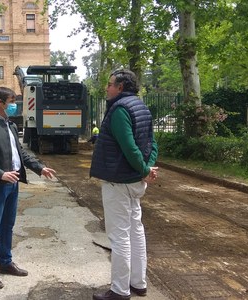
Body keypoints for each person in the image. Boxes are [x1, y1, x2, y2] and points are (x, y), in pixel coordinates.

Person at [0, 86, 57, 289]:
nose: (14, 105)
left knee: (7, 226)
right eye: (12, 101)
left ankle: (6, 262)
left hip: (14, 183)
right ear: (0, 102)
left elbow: (21, 154)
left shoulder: (11, 126)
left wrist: (40, 167)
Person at [90, 69, 158, 300]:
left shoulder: (119, 110)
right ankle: (138, 283)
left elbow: (129, 147)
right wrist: (147, 167)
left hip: (118, 180)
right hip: (134, 180)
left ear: (120, 87)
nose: (107, 88)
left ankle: (120, 290)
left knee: (119, 236)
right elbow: (152, 142)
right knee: (135, 230)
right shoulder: (141, 107)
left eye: (110, 84)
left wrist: (144, 169)